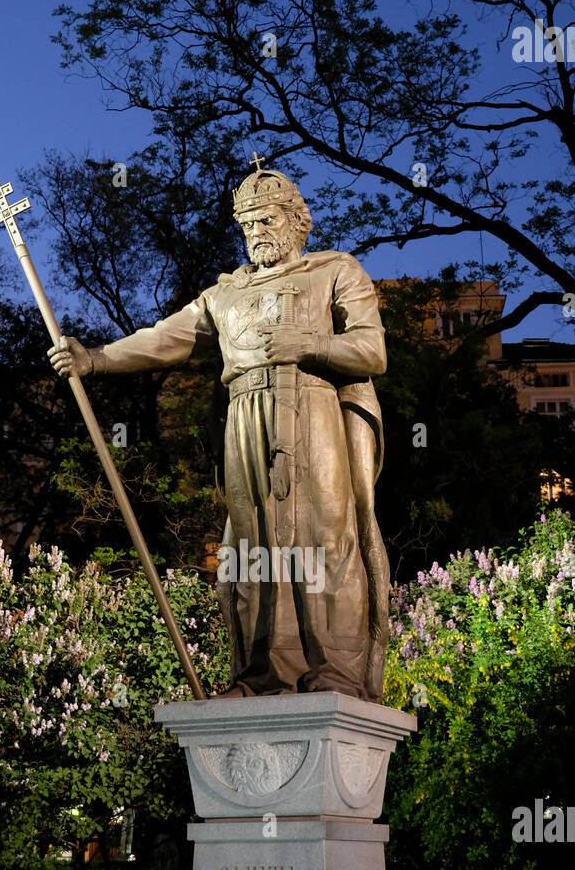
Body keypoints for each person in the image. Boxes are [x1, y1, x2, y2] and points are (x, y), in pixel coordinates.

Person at [49, 160, 389, 700]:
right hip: (245, 415)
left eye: (267, 221)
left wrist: (312, 345)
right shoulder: (223, 295)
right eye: (248, 224)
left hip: (314, 408)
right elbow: (163, 339)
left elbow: (372, 350)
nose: (256, 233)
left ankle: (338, 675)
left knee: (327, 541)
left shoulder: (336, 271)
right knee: (252, 547)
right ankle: (263, 676)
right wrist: (93, 359)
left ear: (296, 221)